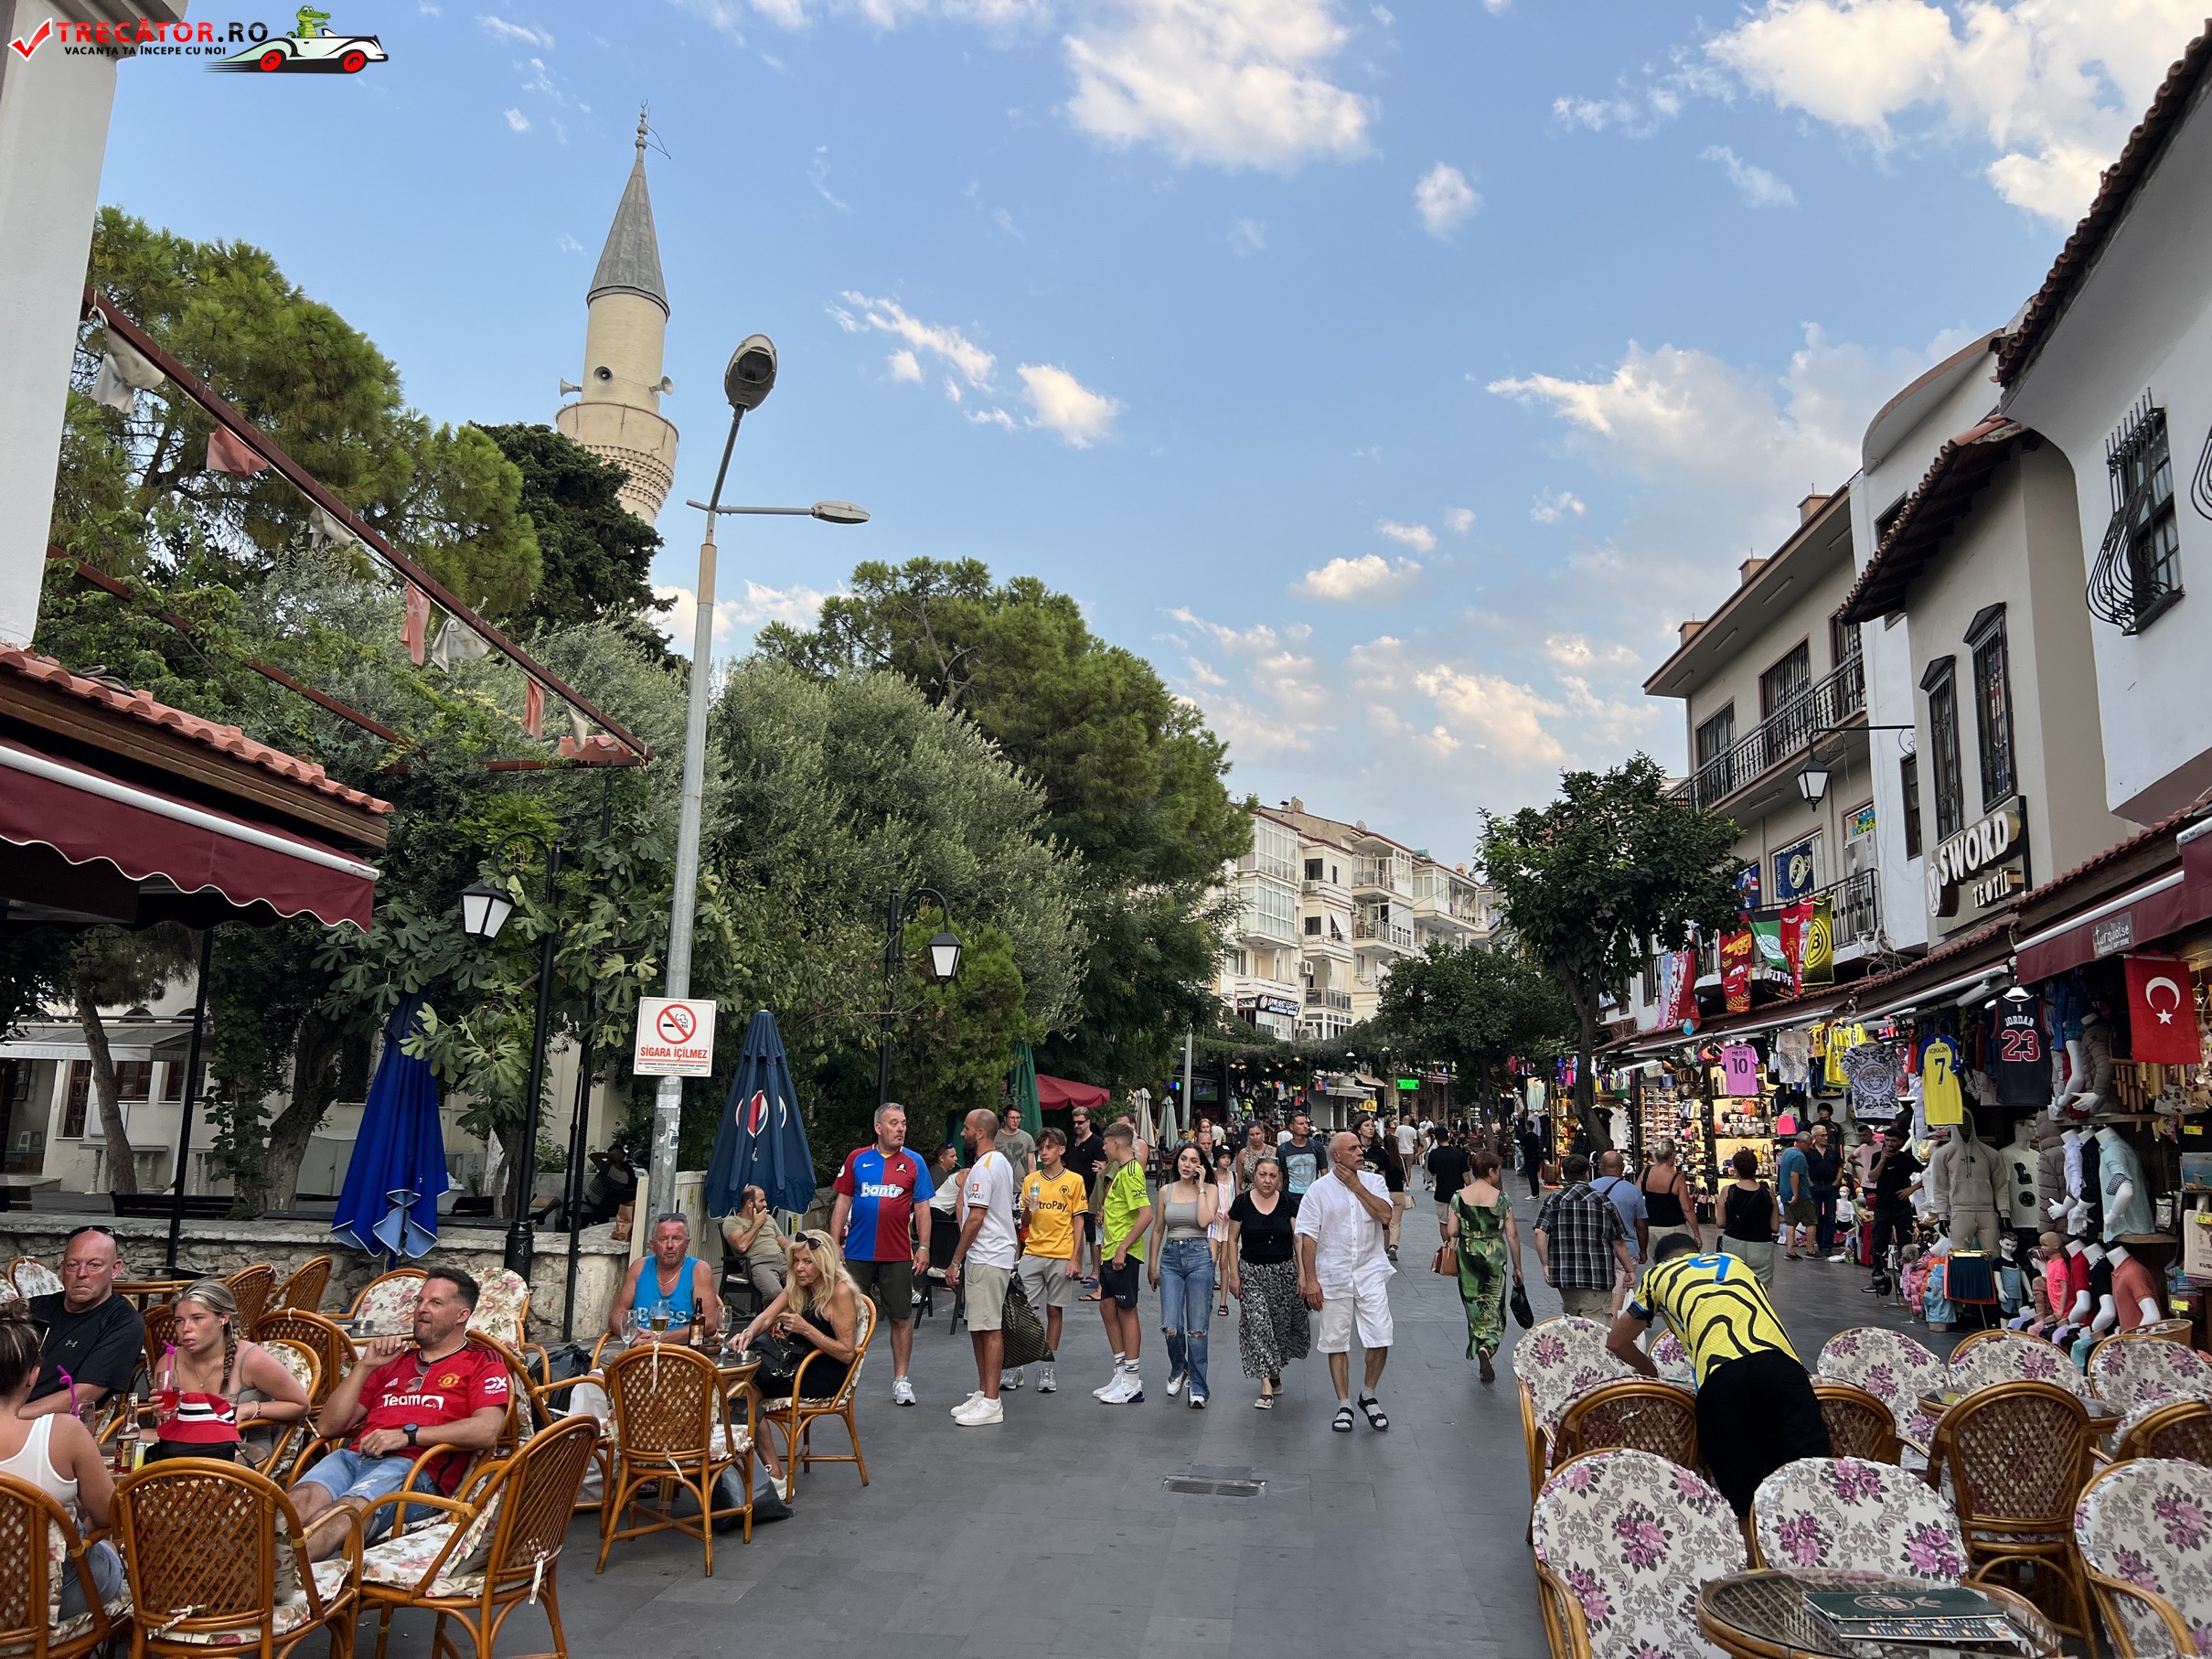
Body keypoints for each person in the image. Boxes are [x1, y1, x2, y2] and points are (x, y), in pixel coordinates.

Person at [1608, 1233, 1832, 1517]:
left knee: (1742, 1497)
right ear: (1697, 1250)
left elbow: (1617, 1342)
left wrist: (1649, 1369)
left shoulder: (1658, 1275)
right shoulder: (1733, 1262)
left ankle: (1749, 1542)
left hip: (1722, 1380)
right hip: (1783, 1368)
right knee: (1809, 1479)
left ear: (1658, 1260)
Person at [293, 1268, 508, 1557]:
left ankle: (276, 1582)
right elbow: (328, 1427)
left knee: (339, 1514)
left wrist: (408, 1436)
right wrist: (364, 1367)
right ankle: (251, 1577)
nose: (421, 1309)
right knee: (294, 1504)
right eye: (419, 1301)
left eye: (435, 1303)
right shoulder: (394, 1361)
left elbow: (487, 1430)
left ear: (462, 1315)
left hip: (414, 1470)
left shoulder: (482, 1360)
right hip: (354, 1457)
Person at [0, 1307, 123, 1621]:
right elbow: (110, 1516)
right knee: (108, 1555)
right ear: (33, 1376)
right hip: (48, 1600)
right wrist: (66, 1524)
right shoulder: (63, 1433)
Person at [733, 1230, 859, 1498]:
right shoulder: (799, 1287)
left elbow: (847, 1353)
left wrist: (805, 1329)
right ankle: (771, 1471)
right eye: (797, 1261)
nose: (799, 1268)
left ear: (823, 1263)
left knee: (739, 1388)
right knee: (739, 1393)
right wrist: (748, 1333)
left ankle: (769, 1471)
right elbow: (767, 1317)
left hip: (821, 1372)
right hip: (793, 1364)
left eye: (807, 1262)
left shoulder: (840, 1291)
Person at [828, 1103, 935, 1407]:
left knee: (901, 1317)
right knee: (848, 1315)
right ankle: (842, 1377)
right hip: (858, 1253)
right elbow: (842, 1202)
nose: (901, 1128)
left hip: (898, 1253)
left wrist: (924, 1247)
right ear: (878, 1128)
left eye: (904, 1123)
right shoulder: (857, 1158)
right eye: (894, 1123)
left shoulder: (914, 1162)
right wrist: (834, 1243)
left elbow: (922, 1208)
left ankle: (901, 1379)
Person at [1294, 1131, 1396, 1432]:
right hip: (1333, 1274)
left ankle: (1368, 1393)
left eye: (1360, 1147)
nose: (1360, 1152)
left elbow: (1386, 1215)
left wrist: (1356, 1186)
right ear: (1337, 1156)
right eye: (1353, 1149)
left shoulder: (1373, 1183)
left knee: (1381, 1335)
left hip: (1370, 1271)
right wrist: (1311, 1280)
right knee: (1336, 1340)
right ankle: (1344, 1403)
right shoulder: (1318, 1190)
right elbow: (1308, 1237)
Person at [145, 1279, 309, 1464]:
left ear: (223, 1319)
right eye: (179, 1321)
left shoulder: (251, 1359)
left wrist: (248, 1409)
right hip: (185, 1451)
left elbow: (301, 1405)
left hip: (242, 1449)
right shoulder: (169, 1362)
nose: (185, 1329)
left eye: (197, 1318)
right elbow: (165, 1426)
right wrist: (164, 1415)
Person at [946, 1108, 1019, 1427]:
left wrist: (955, 1260)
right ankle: (984, 1391)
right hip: (991, 1255)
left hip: (987, 1256)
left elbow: (975, 1217)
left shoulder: (983, 1168)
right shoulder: (999, 1162)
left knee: (988, 1328)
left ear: (979, 1133)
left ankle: (991, 1400)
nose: (962, 1133)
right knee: (979, 1326)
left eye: (966, 1128)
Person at [24, 1226, 144, 1418]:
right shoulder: (34, 1308)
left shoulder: (123, 1322)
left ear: (115, 1269)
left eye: (94, 1265)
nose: (81, 1273)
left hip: (52, 1424)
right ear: (62, 1269)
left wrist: (11, 1417)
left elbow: (82, 1395)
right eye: (73, 1265)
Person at [1010, 1127, 1087, 1394]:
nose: (1044, 1152)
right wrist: (1028, 1208)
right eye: (1041, 1148)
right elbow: (1025, 1221)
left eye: (1049, 1147)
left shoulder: (1074, 1180)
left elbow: (1078, 1220)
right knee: (1022, 1311)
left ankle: (1047, 1366)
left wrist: (1075, 1258)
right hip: (1033, 1251)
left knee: (1054, 1310)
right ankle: (1017, 1363)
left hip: (1061, 1253)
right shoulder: (1031, 1180)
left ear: (1061, 1150)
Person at [1225, 1154, 1308, 1407]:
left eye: (1273, 1176)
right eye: (1263, 1175)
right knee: (1258, 1324)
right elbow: (1232, 1240)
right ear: (1255, 1176)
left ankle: (1274, 1373)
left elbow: (1298, 1239)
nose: (1268, 1180)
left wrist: (1303, 1274)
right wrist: (1233, 1275)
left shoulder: (1287, 1202)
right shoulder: (1242, 1202)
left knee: (1280, 1328)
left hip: (1283, 1273)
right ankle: (1265, 1386)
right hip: (1252, 1272)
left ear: (1279, 1178)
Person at [1147, 1141, 1221, 1408]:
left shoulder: (1210, 1190)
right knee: (1171, 1325)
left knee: (1197, 1329)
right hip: (1171, 1258)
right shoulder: (1165, 1191)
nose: (1187, 1165)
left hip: (1199, 1256)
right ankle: (1179, 1366)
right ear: (1177, 1161)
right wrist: (1152, 1265)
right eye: (1184, 1159)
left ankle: (1198, 1387)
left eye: (1194, 1160)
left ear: (1201, 1165)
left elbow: (1204, 1221)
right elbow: (1158, 1229)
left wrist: (1200, 1188)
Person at [1444, 1146, 1523, 1384]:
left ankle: (1479, 1341)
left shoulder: (1459, 1196)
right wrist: (1518, 1267)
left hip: (1468, 1255)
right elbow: (1512, 1235)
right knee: (1494, 1302)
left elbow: (1452, 1231)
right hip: (1494, 1256)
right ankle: (1488, 1346)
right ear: (1491, 1171)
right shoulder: (1502, 1198)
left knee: (1474, 1303)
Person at [1093, 1121, 1153, 1404]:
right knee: (1107, 1307)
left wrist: (1123, 1249)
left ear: (1117, 1143)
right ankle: (1120, 1373)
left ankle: (1132, 1380)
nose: (1103, 1148)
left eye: (1106, 1143)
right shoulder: (1120, 1171)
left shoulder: (1131, 1172)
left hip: (1122, 1254)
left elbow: (1146, 1214)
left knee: (1127, 1310)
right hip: (1110, 1251)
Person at [1532, 1154, 1635, 1321]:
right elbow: (1618, 1241)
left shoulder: (1554, 1200)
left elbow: (1539, 1232)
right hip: (1597, 1275)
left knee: (1573, 1321)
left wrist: (1546, 1264)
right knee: (1596, 1325)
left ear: (1564, 1174)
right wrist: (1629, 1270)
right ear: (1587, 1173)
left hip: (1564, 1274)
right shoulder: (1602, 1201)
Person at [608, 1212, 721, 1342]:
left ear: (687, 1243)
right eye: (663, 1239)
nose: (670, 1245)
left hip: (682, 1350)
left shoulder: (699, 1270)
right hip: (639, 1346)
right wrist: (637, 1337)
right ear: (653, 1244)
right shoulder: (639, 1267)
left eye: (677, 1238)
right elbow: (615, 1316)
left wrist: (660, 1338)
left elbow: (709, 1324)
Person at [1864, 1124, 1922, 1295]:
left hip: (1902, 1208)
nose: (1889, 1144)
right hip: (1883, 1206)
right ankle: (1879, 1279)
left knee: (1905, 1245)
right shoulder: (1877, 1156)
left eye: (1893, 1141)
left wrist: (1912, 1189)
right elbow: (1872, 1178)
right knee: (1878, 1244)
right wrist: (1882, 1160)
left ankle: (1906, 1280)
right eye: (1887, 1140)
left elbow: (1928, 1173)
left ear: (1900, 1142)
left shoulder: (1907, 1158)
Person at [1588, 1150, 1649, 1315]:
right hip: (1627, 1250)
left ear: (1600, 1167)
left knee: (1596, 1298)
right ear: (1622, 1168)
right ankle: (1614, 1325)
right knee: (1618, 1301)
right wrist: (1643, 1251)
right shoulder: (1633, 1191)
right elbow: (1641, 1224)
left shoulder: (1589, 1188)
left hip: (1596, 1250)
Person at [1719, 1149, 1782, 1286]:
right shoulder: (1768, 1193)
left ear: (1736, 1169)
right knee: (1759, 1288)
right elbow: (1775, 1227)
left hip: (1733, 1243)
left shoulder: (1727, 1191)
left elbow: (1721, 1222)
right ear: (1755, 1168)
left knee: (1733, 1284)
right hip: (1761, 1246)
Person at [720, 1184, 790, 1305]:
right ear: (750, 1203)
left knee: (808, 1285)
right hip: (759, 1263)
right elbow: (741, 1246)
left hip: (782, 1260)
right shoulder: (732, 1222)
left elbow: (783, 1241)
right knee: (774, 1293)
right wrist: (757, 1224)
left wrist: (798, 1252)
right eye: (762, 1200)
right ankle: (771, 1316)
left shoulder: (769, 1219)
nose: (766, 1204)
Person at [1356, 1116, 1408, 1262]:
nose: (1371, 1128)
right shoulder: (1354, 1148)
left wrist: (1382, 1193)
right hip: (1356, 1192)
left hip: (1374, 1194)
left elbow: (1382, 1176)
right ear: (1359, 1129)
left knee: (1379, 1223)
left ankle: (1381, 1249)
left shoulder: (1380, 1152)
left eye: (1372, 1126)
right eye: (1367, 1125)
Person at [1635, 1138, 1702, 1252]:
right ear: (1673, 1155)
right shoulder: (1677, 1178)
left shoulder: (1645, 1173)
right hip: (1674, 1228)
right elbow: (1687, 1209)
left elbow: (1635, 1197)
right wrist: (1697, 1234)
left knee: (1657, 1258)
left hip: (1651, 1228)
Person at [1065, 1108, 1106, 1288]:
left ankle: (1096, 1271)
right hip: (1071, 1194)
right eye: (1075, 1122)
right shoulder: (1072, 1142)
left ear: (1088, 1122)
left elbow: (1102, 1168)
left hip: (1090, 1194)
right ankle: (1078, 1267)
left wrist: (1100, 1198)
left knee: (1092, 1235)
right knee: (1075, 1232)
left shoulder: (1096, 1143)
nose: (1077, 1125)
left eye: (1080, 1122)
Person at [1426, 1129, 1472, 1247]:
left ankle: (1446, 1247)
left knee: (1443, 1222)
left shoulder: (1434, 1154)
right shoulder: (1459, 1154)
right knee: (1457, 1221)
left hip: (1441, 1193)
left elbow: (1432, 1171)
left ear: (1436, 1138)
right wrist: (1470, 1189)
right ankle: (1453, 1246)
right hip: (1458, 1194)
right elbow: (1466, 1174)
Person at [1805, 1124, 1845, 1261]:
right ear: (1815, 1137)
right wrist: (1810, 1182)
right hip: (1815, 1186)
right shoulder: (1809, 1152)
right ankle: (1820, 1244)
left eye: (1826, 1135)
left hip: (1830, 1186)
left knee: (1830, 1217)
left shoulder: (1832, 1151)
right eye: (1822, 1135)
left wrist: (1837, 1181)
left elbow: (1840, 1166)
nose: (1826, 1137)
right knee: (1816, 1217)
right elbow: (1805, 1168)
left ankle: (1828, 1246)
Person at [1208, 1147, 1238, 1317]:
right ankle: (1207, 1295)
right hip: (1214, 1222)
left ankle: (1223, 1302)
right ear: (1217, 1159)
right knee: (1212, 1259)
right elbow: (1205, 1196)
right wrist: (1213, 1211)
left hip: (1228, 1223)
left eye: (1228, 1157)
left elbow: (1237, 1196)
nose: (1226, 1160)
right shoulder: (1211, 1176)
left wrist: (1232, 1211)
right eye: (1223, 1157)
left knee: (1224, 1262)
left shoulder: (1234, 1176)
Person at [1777, 1131, 1814, 1260]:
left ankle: (1790, 1250)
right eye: (1808, 1144)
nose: (1809, 1147)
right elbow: (1794, 1175)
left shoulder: (1787, 1152)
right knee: (1811, 1221)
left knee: (1790, 1222)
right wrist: (1796, 1194)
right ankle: (1810, 1250)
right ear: (1801, 1143)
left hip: (1785, 1192)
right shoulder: (1799, 1156)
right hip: (1800, 1195)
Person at [1277, 1111, 1322, 1203]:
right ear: (1291, 1127)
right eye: (1301, 1124)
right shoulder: (1283, 1150)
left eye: (1306, 1123)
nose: (1305, 1126)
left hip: (1313, 1197)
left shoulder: (1316, 1147)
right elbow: (1280, 1175)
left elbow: (1324, 1172)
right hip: (1291, 1198)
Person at [998, 1105, 1038, 1183]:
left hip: (1021, 1185)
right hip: (1000, 1184)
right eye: (1012, 1118)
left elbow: (1032, 1166)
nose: (1015, 1121)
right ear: (1005, 1119)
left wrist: (1033, 1184)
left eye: (1018, 1118)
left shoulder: (1027, 1138)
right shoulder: (995, 1137)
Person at [1235, 1120, 1272, 1192]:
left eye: (1258, 1134)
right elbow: (1239, 1179)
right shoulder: (1243, 1153)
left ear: (1263, 1134)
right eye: (1252, 1135)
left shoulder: (1273, 1151)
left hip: (1268, 1191)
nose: (1255, 1137)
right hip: (1247, 1192)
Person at [1517, 1120, 1547, 1199]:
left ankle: (1533, 1194)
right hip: (1535, 1157)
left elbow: (1521, 1146)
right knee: (1535, 1176)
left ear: (1527, 1126)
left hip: (1528, 1157)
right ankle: (1536, 1193)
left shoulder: (1524, 1137)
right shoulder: (1536, 1136)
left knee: (1531, 1176)